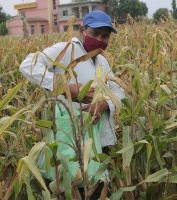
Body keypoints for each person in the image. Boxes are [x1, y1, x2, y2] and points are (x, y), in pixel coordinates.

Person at [19, 10, 125, 198]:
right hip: (72, 141)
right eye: (95, 33)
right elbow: (28, 65)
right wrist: (65, 88)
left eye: (105, 36)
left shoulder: (102, 61)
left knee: (98, 190)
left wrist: (104, 105)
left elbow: (119, 91)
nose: (100, 39)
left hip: (99, 141)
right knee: (75, 189)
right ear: (83, 30)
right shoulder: (67, 50)